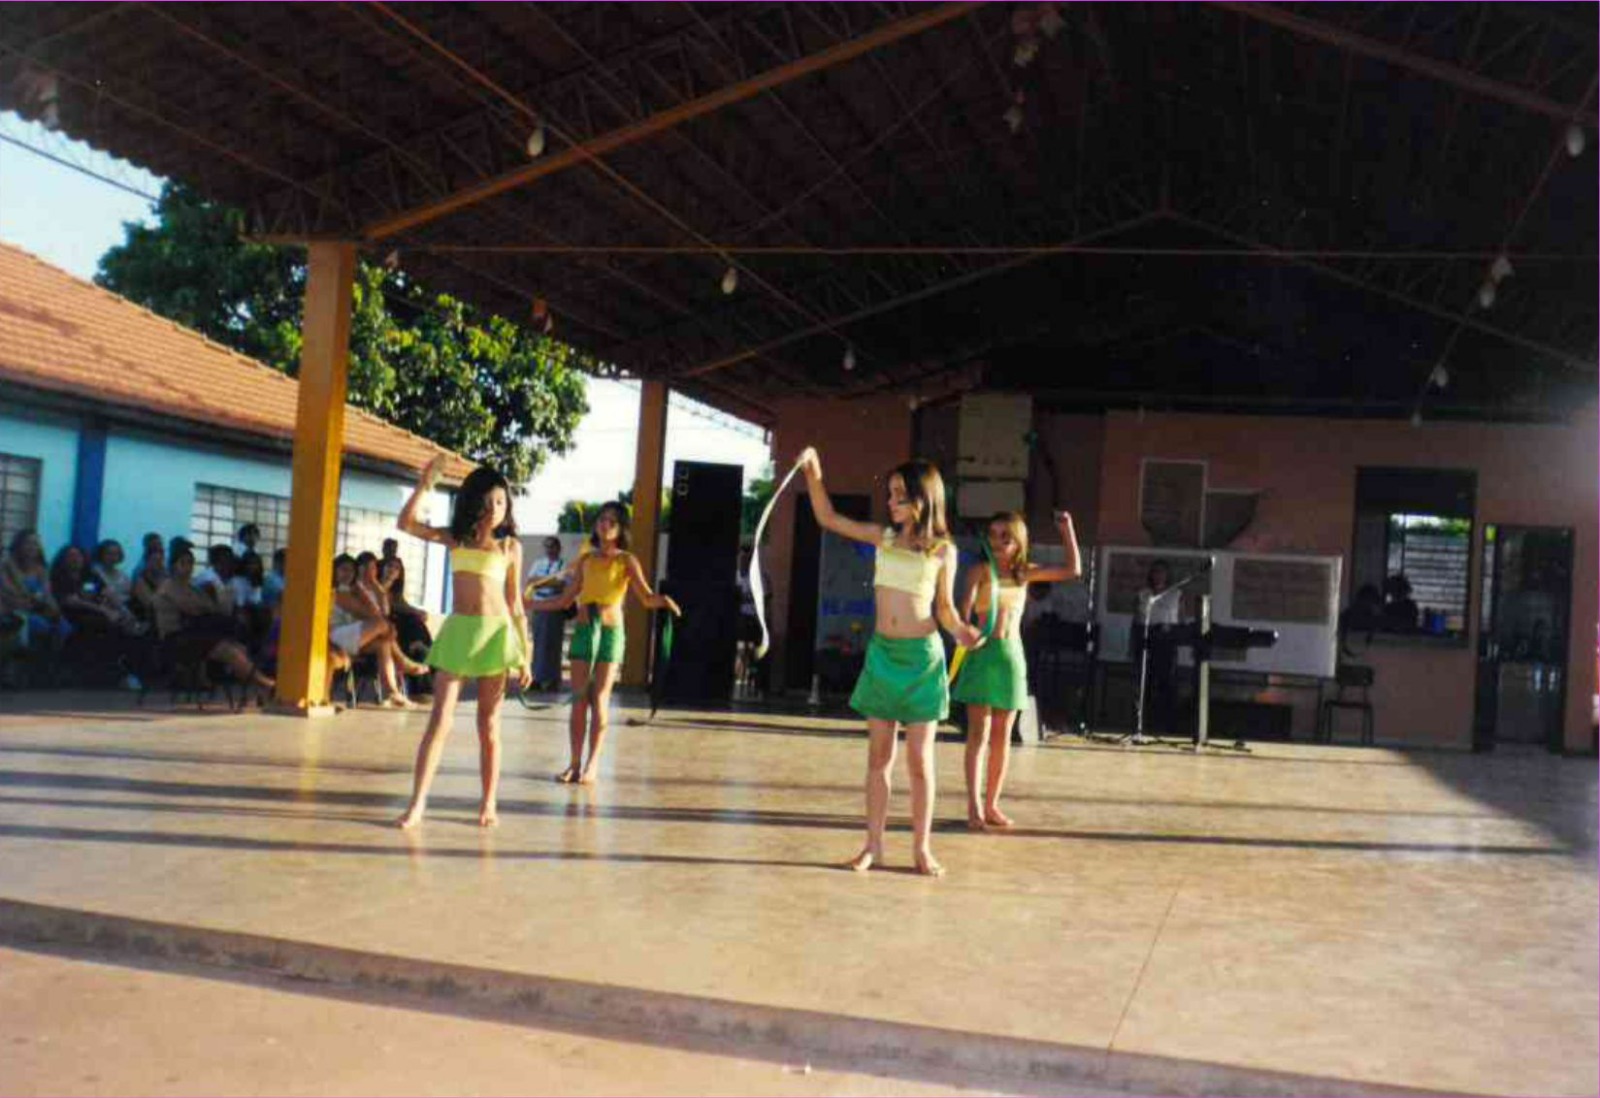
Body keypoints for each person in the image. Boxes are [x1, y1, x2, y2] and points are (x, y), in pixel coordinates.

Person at [797, 447, 981, 877]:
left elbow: (945, 610)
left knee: (920, 761)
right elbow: (828, 518)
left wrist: (961, 631)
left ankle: (922, 849)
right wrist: (814, 471)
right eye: (891, 494)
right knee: (878, 758)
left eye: (900, 494)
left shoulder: (943, 551)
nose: (891, 501)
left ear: (923, 498)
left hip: (922, 662)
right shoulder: (882, 537)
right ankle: (873, 847)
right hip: (882, 657)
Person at [395, 456, 533, 829]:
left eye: (501, 502)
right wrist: (424, 485)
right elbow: (405, 523)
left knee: (488, 726)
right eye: (489, 502)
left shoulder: (510, 547)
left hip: (496, 636)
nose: (496, 509)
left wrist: (525, 655)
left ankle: (488, 803)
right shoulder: (455, 538)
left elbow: (515, 605)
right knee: (439, 720)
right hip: (458, 633)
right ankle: (417, 804)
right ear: (473, 502)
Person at [953, 510, 1081, 831]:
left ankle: (992, 804)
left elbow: (1072, 569)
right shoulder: (979, 571)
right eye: (993, 535)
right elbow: (962, 612)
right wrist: (965, 628)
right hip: (982, 655)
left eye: (1005, 537)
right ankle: (974, 806)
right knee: (978, 735)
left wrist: (1067, 531)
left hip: (1011, 658)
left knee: (1002, 737)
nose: (997, 542)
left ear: (1018, 541)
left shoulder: (1024, 573)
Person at [545, 502, 681, 785]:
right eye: (602, 520)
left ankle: (592, 764)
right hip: (584, 632)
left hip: (610, 634)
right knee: (579, 700)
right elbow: (564, 600)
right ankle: (573, 764)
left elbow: (646, 598)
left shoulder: (627, 560)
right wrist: (527, 603)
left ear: (621, 529)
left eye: (612, 521)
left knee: (599, 699)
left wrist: (665, 600)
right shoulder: (585, 560)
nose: (604, 525)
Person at [153, 546, 273, 693]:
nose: (188, 567)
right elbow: (191, 607)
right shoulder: (168, 587)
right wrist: (203, 606)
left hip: (194, 634)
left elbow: (212, 607)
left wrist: (206, 604)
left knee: (238, 647)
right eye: (183, 563)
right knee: (229, 651)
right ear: (173, 565)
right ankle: (265, 684)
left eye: (190, 563)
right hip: (175, 640)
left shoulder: (191, 587)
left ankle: (257, 685)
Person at [328, 553, 419, 708]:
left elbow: (379, 613)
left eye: (351, 571)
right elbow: (372, 615)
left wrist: (366, 589)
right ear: (335, 571)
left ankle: (392, 693)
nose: (348, 574)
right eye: (343, 570)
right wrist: (363, 592)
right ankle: (402, 660)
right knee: (383, 625)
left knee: (383, 643)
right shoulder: (337, 593)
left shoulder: (352, 591)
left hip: (354, 637)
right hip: (336, 636)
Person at [0, 530, 71, 653]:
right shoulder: (6, 566)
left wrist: (54, 610)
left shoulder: (42, 569)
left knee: (64, 627)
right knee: (40, 626)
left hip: (37, 607)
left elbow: (47, 593)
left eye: (35, 543)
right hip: (14, 609)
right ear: (18, 546)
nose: (32, 547)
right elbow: (8, 593)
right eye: (28, 543)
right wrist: (31, 599)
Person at [1133, 560, 1182, 736]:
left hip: (1166, 644)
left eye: (1162, 572)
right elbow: (1136, 619)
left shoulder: (1175, 594)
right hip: (1147, 642)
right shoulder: (1143, 594)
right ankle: (1142, 723)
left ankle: (1167, 724)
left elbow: (1180, 620)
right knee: (1145, 683)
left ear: (1167, 575)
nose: (1158, 575)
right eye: (1155, 572)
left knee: (1166, 684)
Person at [522, 536, 567, 692]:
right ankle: (537, 678)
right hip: (539, 605)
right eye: (547, 547)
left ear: (558, 548)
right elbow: (530, 582)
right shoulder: (538, 563)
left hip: (555, 606)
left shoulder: (563, 564)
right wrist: (548, 581)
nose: (549, 550)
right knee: (539, 643)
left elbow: (560, 584)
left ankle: (553, 679)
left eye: (552, 546)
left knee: (553, 644)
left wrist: (540, 582)